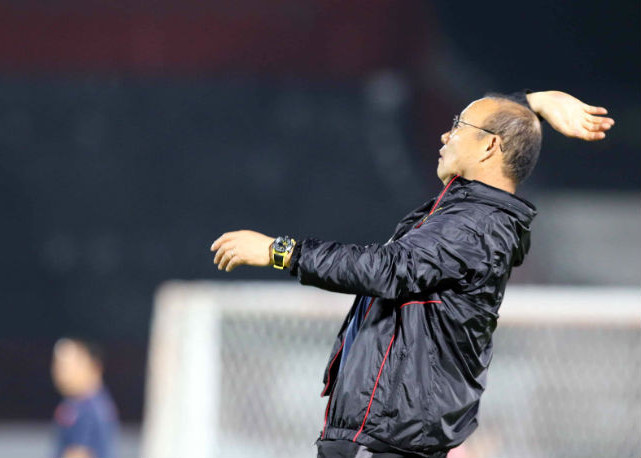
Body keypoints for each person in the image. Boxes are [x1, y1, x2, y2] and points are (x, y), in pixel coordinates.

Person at [210, 90, 613, 457]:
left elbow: (387, 269)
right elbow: (499, 122)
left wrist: (280, 252)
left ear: (490, 146)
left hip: (389, 439)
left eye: (459, 126)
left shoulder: (473, 225)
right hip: (384, 435)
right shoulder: (472, 216)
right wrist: (531, 102)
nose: (446, 135)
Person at [51, 337, 119, 458]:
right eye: (58, 366)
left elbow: (80, 454)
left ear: (93, 366)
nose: (61, 373)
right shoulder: (74, 403)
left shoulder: (89, 408)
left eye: (68, 366)